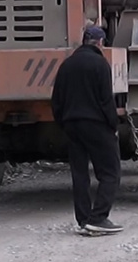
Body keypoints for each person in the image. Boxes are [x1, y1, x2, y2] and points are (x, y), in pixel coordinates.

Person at [51, 25, 123, 236]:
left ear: (84, 41)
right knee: (110, 172)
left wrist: (63, 123)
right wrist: (113, 126)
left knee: (80, 174)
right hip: (96, 125)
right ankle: (99, 218)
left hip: (72, 124)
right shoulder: (100, 64)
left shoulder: (66, 65)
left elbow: (56, 101)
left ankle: (83, 220)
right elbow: (106, 101)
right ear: (100, 43)